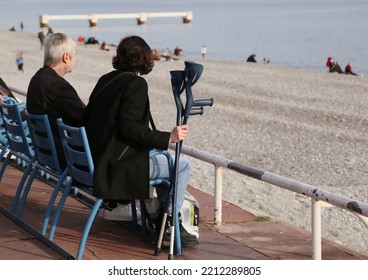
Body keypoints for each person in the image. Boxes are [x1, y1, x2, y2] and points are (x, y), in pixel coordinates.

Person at [82, 35, 198, 246]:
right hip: (114, 167)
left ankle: (157, 214)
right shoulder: (136, 84)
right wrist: (168, 137)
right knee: (181, 165)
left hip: (96, 159)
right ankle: (169, 222)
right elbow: (129, 128)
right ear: (144, 58)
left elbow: (88, 117)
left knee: (164, 162)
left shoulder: (105, 79)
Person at [26, 33, 86, 168]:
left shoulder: (37, 78)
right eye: (74, 56)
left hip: (45, 152)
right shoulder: (58, 86)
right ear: (66, 57)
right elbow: (86, 117)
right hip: (65, 157)